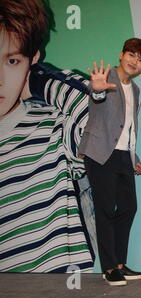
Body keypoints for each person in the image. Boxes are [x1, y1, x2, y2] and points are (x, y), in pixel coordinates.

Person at [0, 0, 94, 272]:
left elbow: (102, 119)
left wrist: (40, 79)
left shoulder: (51, 123)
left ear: (32, 59)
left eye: (12, 60)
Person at [78, 38, 141, 286]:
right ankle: (109, 267)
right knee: (106, 209)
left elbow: (129, 127)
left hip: (123, 155)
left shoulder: (136, 90)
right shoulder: (105, 76)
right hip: (100, 152)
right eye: (132, 55)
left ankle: (120, 263)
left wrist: (135, 157)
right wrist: (98, 89)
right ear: (121, 54)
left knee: (129, 207)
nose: (135, 62)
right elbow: (96, 97)